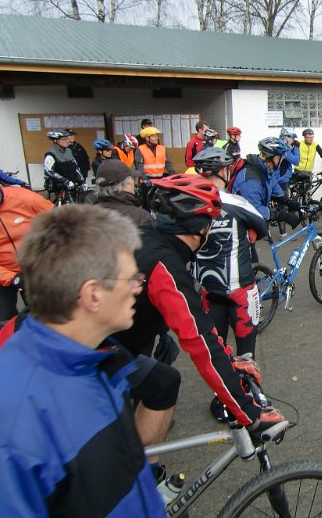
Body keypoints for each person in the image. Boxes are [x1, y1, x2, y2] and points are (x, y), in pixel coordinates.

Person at [0, 204, 166, 516]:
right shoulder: (14, 420)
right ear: (93, 295)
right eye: (130, 278)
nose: (137, 288)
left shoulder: (95, 361)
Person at [113, 174, 283, 434]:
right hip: (91, 359)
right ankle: (132, 469)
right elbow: (200, 342)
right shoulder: (166, 265)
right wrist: (249, 413)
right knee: (110, 440)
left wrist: (230, 360)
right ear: (198, 229)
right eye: (210, 225)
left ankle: (149, 469)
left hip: (110, 346)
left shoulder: (147, 236)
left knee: (166, 381)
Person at [193, 147, 268, 359]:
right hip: (240, 289)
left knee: (217, 354)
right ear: (223, 172)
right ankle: (249, 389)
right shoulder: (235, 202)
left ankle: (223, 391)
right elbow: (261, 228)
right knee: (246, 356)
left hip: (208, 288)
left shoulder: (190, 202)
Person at [0, 183, 53, 323]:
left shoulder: (22, 197)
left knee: (48, 316)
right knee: (3, 322)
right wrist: (12, 278)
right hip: (2, 272)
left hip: (37, 266)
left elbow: (58, 219)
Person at [232, 137, 300, 231]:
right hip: (240, 228)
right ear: (276, 158)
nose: (283, 159)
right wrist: (280, 215)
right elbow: (253, 210)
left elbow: (275, 188)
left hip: (253, 224)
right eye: (283, 156)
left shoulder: (265, 170)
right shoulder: (250, 179)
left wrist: (288, 202)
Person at [93, 160, 152, 226]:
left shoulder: (88, 215)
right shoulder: (142, 217)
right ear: (125, 184)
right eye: (132, 178)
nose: (133, 182)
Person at [43, 130, 85, 200]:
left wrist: (82, 181)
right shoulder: (50, 154)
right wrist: (65, 181)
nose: (67, 141)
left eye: (67, 138)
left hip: (73, 185)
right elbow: (49, 171)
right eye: (64, 139)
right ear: (55, 140)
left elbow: (76, 168)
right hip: (60, 187)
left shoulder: (69, 151)